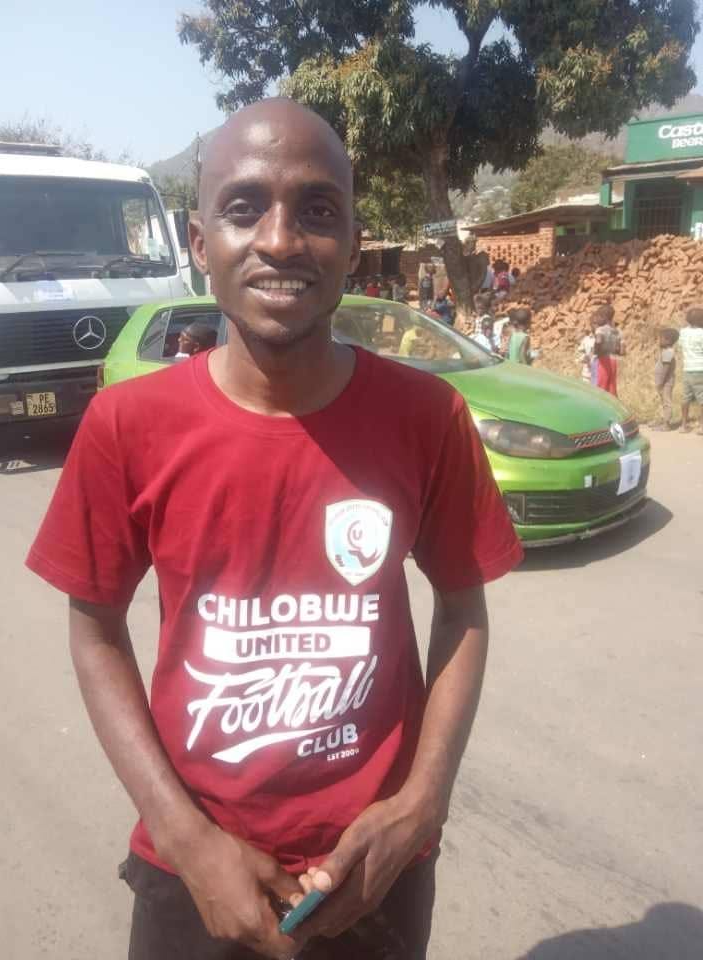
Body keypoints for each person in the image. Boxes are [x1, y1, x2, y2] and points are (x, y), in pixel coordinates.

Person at [26, 97, 522, 960]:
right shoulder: (125, 425)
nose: (282, 240)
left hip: (378, 867)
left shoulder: (427, 418)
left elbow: (462, 608)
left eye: (318, 210)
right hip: (195, 867)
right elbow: (95, 631)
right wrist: (183, 837)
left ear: (355, 243)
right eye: (245, 206)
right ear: (198, 240)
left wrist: (420, 806)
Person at [679, 306, 703, 434]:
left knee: (685, 398)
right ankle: (702, 426)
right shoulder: (702, 333)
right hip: (700, 369)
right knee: (702, 398)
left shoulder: (683, 332)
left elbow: (680, 344)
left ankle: (683, 425)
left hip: (687, 369)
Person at [651, 327, 679, 431]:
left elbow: (665, 369)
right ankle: (663, 421)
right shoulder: (666, 351)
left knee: (667, 402)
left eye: (661, 339)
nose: (659, 341)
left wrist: (660, 382)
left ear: (668, 341)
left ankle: (666, 425)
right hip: (664, 382)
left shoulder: (668, 353)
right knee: (664, 401)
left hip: (665, 382)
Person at [593, 304, 621, 396]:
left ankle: (599, 403)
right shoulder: (615, 331)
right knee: (612, 386)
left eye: (598, 316)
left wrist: (596, 351)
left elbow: (599, 341)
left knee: (601, 385)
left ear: (604, 317)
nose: (597, 319)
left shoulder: (600, 330)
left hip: (603, 360)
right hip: (613, 360)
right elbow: (618, 348)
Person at [576, 319, 598, 385]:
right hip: (587, 374)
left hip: (599, 375)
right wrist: (582, 358)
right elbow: (579, 353)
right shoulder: (587, 339)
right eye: (594, 324)